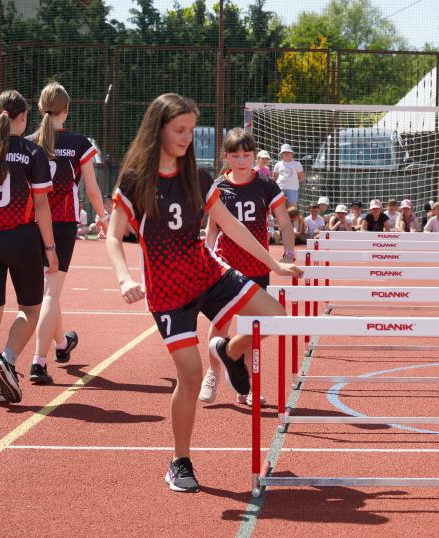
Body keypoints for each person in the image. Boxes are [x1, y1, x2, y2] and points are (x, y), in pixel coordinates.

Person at [105, 93, 302, 492]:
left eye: (191, 131)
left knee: (277, 316)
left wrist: (275, 263)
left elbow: (231, 225)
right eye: (179, 130)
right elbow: (112, 236)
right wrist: (124, 278)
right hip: (167, 291)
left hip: (207, 274)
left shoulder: (197, 177)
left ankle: (228, 351)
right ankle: (180, 460)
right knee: (191, 376)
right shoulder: (135, 180)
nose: (186, 137)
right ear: (158, 128)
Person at [199, 128, 296, 405]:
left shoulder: (266, 185)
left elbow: (284, 221)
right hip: (226, 267)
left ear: (254, 155)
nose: (241, 160)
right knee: (221, 321)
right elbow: (213, 228)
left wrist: (289, 252)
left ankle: (248, 386)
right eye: (235, 155)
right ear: (226, 157)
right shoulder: (218, 186)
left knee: (255, 329)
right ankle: (213, 373)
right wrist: (207, 256)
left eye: (246, 155)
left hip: (257, 266)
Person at [27, 82, 109, 385]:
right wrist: (103, 217)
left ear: (39, 108)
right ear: (67, 110)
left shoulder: (28, 143)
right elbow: (92, 190)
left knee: (50, 290)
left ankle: (61, 343)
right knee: (51, 292)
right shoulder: (79, 144)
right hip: (62, 223)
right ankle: (38, 361)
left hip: (31, 223)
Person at [0, 90, 56, 406]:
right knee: (31, 309)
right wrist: (50, 248)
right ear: (22, 118)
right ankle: (7, 360)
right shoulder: (32, 152)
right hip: (20, 238)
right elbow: (41, 205)